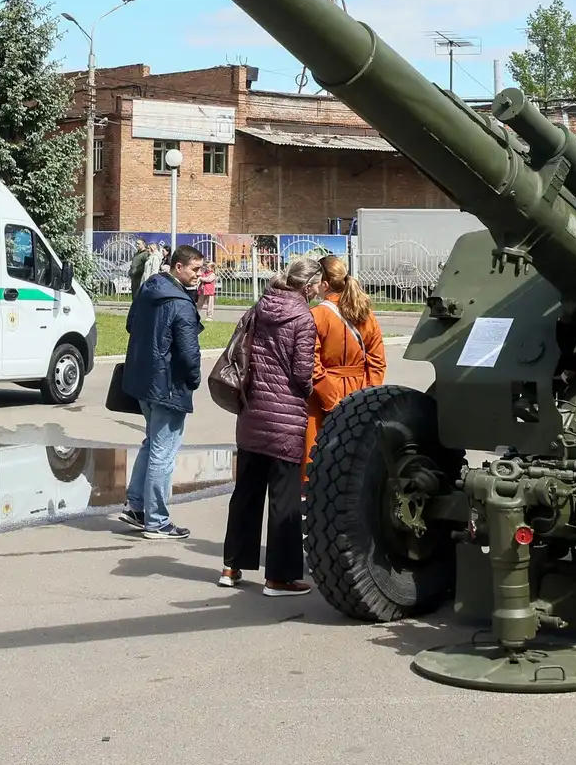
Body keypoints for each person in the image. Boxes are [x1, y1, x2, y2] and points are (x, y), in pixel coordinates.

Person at [220, 253, 319, 596]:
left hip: (251, 411)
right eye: (317, 285)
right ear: (308, 285)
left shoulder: (260, 305)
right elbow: (302, 374)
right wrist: (309, 391)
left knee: (246, 492)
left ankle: (231, 567)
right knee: (284, 499)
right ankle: (279, 577)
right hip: (286, 417)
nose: (319, 290)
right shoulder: (303, 319)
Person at [118, 244, 205, 539]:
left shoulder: (148, 289)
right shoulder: (180, 303)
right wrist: (193, 380)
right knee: (162, 452)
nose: (199, 275)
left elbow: (131, 325)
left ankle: (137, 506)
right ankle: (156, 521)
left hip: (143, 381)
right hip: (167, 386)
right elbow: (190, 355)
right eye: (195, 269)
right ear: (178, 267)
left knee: (152, 443)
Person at [307, 253, 386, 459]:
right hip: (360, 390)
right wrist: (368, 394)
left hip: (323, 392)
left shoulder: (316, 315)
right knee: (356, 458)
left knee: (320, 459)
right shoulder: (366, 314)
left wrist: (330, 397)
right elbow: (377, 361)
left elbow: (311, 362)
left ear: (324, 284)